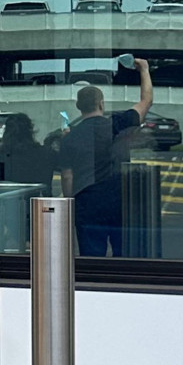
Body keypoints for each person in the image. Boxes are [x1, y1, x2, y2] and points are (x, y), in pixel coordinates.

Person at [57, 60, 151, 257]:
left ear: (78, 107)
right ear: (101, 104)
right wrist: (144, 69)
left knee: (91, 257)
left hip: (87, 203)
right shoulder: (116, 124)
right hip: (118, 199)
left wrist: (70, 202)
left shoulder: (69, 137)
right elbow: (145, 102)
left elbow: (67, 176)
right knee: (124, 253)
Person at [0, 112, 56, 188]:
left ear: (7, 132)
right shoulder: (46, 153)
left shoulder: (3, 155)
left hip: (10, 197)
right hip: (39, 196)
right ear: (30, 131)